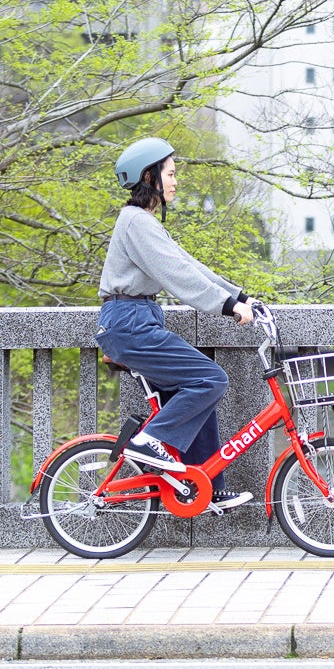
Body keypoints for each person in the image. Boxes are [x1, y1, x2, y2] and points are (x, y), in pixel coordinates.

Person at [96, 136, 258, 512]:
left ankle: (208, 486)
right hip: (130, 324)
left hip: (137, 322)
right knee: (211, 379)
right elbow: (176, 275)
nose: (175, 181)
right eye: (170, 174)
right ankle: (148, 440)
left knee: (197, 393)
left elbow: (188, 264)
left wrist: (240, 296)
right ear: (149, 177)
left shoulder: (144, 222)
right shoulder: (135, 222)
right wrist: (227, 306)